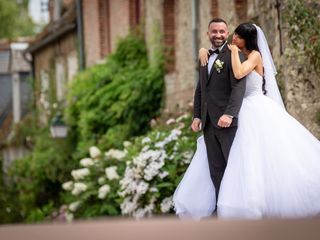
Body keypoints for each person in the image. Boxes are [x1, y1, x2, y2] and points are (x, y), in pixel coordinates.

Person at [173, 22, 320, 219]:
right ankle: (229, 209)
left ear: (246, 39)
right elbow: (203, 88)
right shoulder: (230, 53)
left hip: (255, 109)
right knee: (240, 162)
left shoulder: (253, 56)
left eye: (237, 37)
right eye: (233, 36)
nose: (233, 39)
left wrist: (232, 52)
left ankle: (255, 207)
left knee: (257, 161)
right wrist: (204, 51)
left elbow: (239, 74)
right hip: (240, 111)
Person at [177, 18, 246, 216]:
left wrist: (230, 114)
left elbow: (238, 88)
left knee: (233, 167)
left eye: (222, 31)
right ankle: (221, 210)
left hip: (227, 123)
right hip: (208, 124)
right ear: (208, 34)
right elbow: (201, 90)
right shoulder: (204, 56)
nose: (218, 35)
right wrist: (196, 116)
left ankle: (238, 210)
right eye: (214, 31)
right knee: (215, 169)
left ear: (228, 34)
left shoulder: (235, 55)